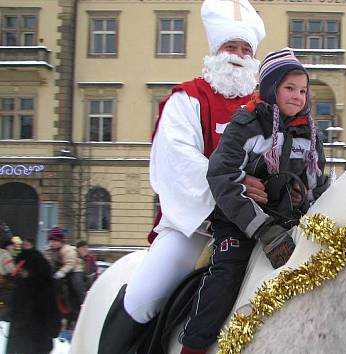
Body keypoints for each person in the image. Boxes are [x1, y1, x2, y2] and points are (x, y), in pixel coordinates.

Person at [97, 1, 266, 353]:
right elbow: (177, 163)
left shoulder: (267, 107)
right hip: (196, 227)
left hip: (258, 225)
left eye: (245, 49)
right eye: (230, 47)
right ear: (215, 51)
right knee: (144, 296)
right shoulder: (188, 99)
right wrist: (235, 187)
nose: (237, 55)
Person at [178, 48, 328, 354]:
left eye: (303, 90)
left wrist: (304, 199)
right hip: (238, 221)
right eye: (289, 88)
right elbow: (222, 177)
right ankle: (193, 346)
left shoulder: (310, 135)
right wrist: (263, 229)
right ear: (271, 88)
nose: (298, 96)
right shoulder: (245, 125)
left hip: (286, 221)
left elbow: (315, 185)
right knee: (228, 273)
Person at [6, 247, 61, 354]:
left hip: (29, 337)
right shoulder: (46, 284)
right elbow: (53, 310)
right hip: (33, 337)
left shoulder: (26, 285)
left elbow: (51, 310)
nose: (21, 272)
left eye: (22, 270)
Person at [45, 226, 86, 330]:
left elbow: (70, 263)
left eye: (54, 241)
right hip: (61, 271)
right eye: (51, 241)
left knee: (76, 283)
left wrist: (61, 273)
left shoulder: (68, 250)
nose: (52, 243)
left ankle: (84, 302)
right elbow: (48, 261)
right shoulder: (51, 251)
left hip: (74, 270)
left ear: (60, 241)